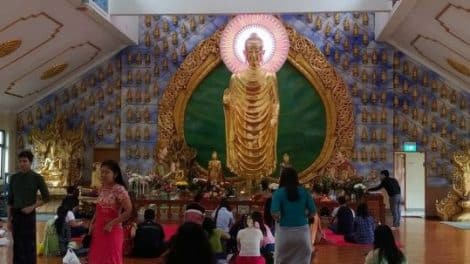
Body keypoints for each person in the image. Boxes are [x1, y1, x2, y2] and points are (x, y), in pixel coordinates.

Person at [7, 150, 50, 264]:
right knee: (17, 245)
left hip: (29, 215)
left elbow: (46, 197)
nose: (22, 164)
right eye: (20, 161)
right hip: (16, 215)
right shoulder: (13, 178)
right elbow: (10, 201)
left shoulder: (37, 178)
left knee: (29, 245)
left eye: (25, 161)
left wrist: (32, 207)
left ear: (30, 162)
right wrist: (9, 220)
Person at [88, 160, 132, 264]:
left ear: (115, 174)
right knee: (97, 258)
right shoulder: (102, 188)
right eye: (102, 172)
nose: (103, 175)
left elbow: (129, 211)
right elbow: (98, 209)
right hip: (98, 230)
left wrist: (112, 224)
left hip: (112, 231)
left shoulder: (119, 190)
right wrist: (92, 223)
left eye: (107, 172)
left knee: (111, 259)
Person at [271, 167, 316, 264]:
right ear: (296, 178)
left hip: (284, 233)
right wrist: (303, 216)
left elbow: (275, 214)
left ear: (282, 178)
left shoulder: (278, 193)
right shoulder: (304, 192)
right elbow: (313, 213)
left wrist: (282, 218)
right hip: (302, 233)